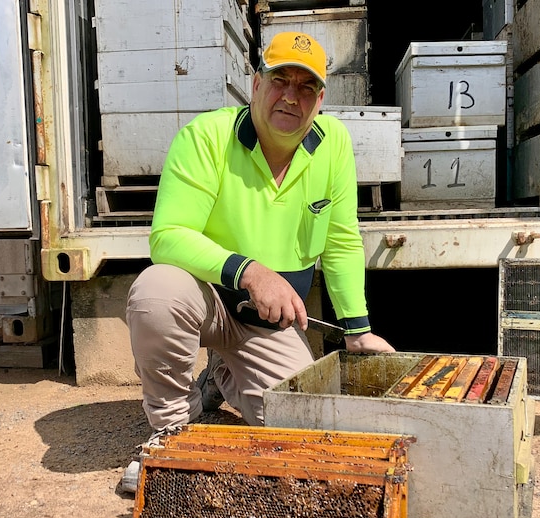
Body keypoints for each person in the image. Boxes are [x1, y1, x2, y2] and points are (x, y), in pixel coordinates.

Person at [125, 30, 395, 436]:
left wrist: (358, 330)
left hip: (267, 324)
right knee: (156, 293)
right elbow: (168, 236)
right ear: (255, 84)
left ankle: (224, 374)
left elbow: (341, 241)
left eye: (307, 87)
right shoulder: (205, 137)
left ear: (320, 101)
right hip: (208, 300)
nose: (291, 96)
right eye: (279, 80)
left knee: (297, 427)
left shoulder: (334, 144)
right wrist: (251, 272)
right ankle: (172, 429)